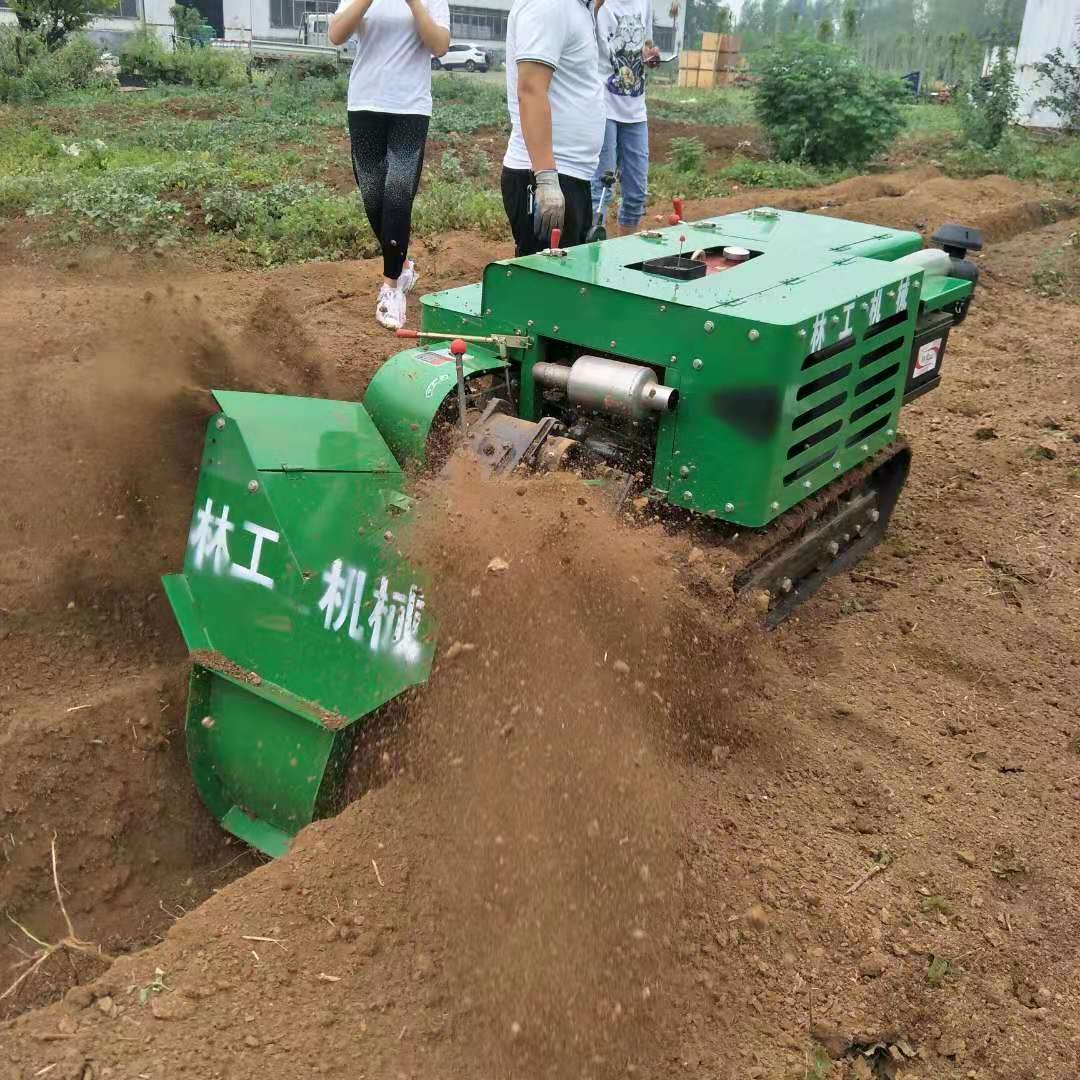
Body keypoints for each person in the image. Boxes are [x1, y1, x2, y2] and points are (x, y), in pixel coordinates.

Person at [329, 0, 450, 329]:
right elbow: (336, 35)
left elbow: (439, 45)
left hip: (410, 107)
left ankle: (391, 287)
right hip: (365, 103)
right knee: (372, 195)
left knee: (398, 190)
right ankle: (404, 265)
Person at [501, 0, 606, 256]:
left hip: (570, 174)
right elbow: (531, 90)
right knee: (545, 289)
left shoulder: (578, 9)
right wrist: (546, 179)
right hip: (548, 176)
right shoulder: (549, 4)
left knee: (564, 286)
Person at [592, 0, 659, 235]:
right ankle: (590, 259)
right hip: (604, 106)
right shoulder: (600, 6)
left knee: (636, 194)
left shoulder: (644, 4)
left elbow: (647, 44)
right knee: (601, 190)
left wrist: (651, 55)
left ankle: (622, 259)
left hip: (636, 110)